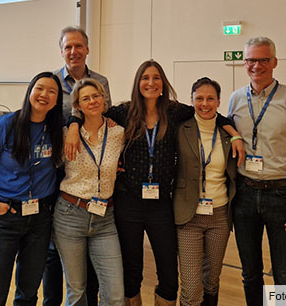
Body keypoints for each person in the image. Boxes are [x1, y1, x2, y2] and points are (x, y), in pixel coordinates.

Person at [67, 60, 243, 306]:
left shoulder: (174, 111)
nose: (151, 83)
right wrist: (74, 125)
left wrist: (234, 134)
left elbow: (211, 112)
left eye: (156, 78)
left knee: (169, 272)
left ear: (163, 83)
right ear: (138, 83)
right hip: (128, 202)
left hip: (162, 203)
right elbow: (90, 111)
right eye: (145, 78)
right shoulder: (124, 112)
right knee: (131, 269)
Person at [228, 37, 286, 306]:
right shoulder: (235, 99)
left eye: (263, 60)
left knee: (283, 274)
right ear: (244, 62)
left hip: (283, 196)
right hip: (244, 197)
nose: (256, 66)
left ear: (274, 62)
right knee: (250, 274)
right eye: (251, 60)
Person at [0, 72, 64, 306]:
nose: (44, 95)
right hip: (6, 216)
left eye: (52, 91)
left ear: (57, 101)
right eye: (39, 88)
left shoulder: (57, 129)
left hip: (40, 218)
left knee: (28, 291)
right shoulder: (8, 124)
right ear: (30, 92)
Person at [47, 26, 110, 306]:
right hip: (57, 169)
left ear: (87, 49)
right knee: (53, 248)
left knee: (88, 249)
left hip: (90, 171)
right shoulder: (50, 82)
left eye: (78, 46)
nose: (73, 51)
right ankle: (52, 301)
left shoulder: (100, 81)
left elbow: (101, 115)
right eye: (68, 47)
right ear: (61, 51)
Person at [53, 79, 125, 305]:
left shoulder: (118, 133)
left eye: (96, 96)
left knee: (114, 294)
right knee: (76, 291)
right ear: (78, 105)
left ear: (104, 99)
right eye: (85, 98)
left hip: (105, 218)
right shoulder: (66, 134)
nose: (92, 101)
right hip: (70, 215)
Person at [174, 78, 239, 306]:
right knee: (192, 288)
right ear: (191, 100)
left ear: (219, 101)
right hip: (188, 216)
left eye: (210, 98)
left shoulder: (228, 134)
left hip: (219, 216)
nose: (205, 104)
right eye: (199, 98)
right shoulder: (180, 129)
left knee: (211, 280)